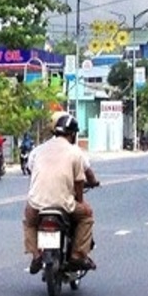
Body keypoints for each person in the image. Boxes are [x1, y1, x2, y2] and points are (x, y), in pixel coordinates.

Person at [22, 113, 96, 274]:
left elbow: (30, 170)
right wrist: (80, 201)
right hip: (63, 203)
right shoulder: (75, 152)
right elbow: (79, 182)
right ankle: (77, 254)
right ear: (73, 134)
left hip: (36, 203)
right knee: (87, 215)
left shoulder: (38, 150)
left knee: (29, 222)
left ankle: (36, 255)